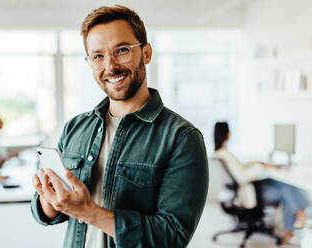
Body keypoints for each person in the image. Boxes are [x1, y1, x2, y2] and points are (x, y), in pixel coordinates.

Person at [30, 5, 209, 248]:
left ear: (146, 53)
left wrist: (89, 211)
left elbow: (172, 236)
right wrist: (49, 198)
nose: (110, 66)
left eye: (121, 50)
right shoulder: (75, 129)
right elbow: (51, 214)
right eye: (98, 56)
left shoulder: (181, 138)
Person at [214, 121, 310, 244]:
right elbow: (242, 177)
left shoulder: (222, 153)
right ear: (226, 134)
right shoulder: (225, 154)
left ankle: (296, 220)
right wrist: (262, 167)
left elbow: (239, 168)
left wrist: (256, 163)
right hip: (248, 193)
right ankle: (296, 220)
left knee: (283, 185)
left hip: (246, 189)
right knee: (286, 189)